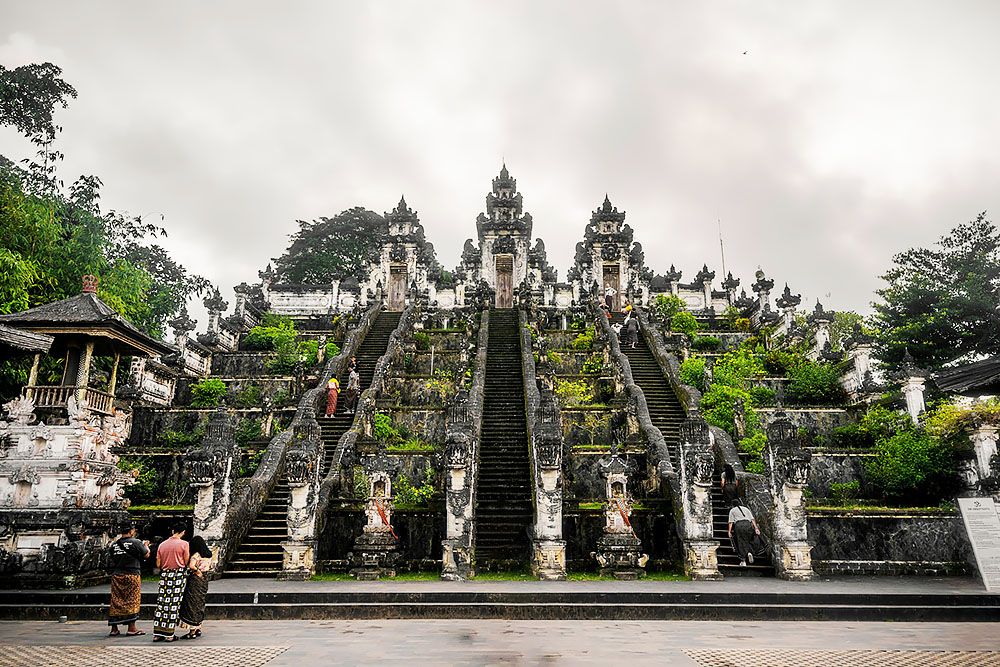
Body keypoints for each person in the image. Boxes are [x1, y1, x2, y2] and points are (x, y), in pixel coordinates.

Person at [107, 522, 150, 637]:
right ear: (131, 531)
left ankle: (114, 628)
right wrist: (146, 545)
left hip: (117, 574)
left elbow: (111, 558)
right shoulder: (136, 542)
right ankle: (132, 627)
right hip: (132, 574)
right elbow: (146, 555)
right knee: (132, 599)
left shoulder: (114, 545)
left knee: (116, 600)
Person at [152, 522, 190, 642]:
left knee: (162, 604)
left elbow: (158, 564)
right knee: (173, 605)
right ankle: (169, 634)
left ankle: (157, 633)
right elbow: (186, 561)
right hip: (177, 575)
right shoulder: (184, 544)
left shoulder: (162, 545)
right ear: (183, 532)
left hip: (165, 575)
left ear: (173, 531)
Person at [178, 535, 213, 640]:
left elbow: (192, 566)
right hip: (204, 579)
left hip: (195, 579)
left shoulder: (196, 555)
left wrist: (197, 571)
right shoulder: (208, 555)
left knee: (192, 603)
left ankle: (192, 631)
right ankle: (198, 627)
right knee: (200, 603)